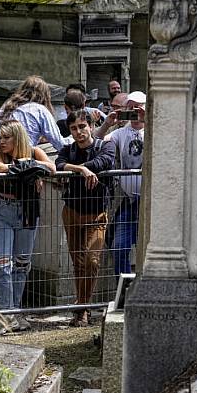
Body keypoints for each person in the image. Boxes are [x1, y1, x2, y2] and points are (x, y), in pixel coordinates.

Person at [0, 120, 55, 323]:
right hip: (2, 210)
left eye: (7, 137)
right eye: (0, 137)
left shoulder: (34, 151)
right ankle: (5, 312)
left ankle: (15, 310)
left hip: (27, 211)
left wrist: (29, 165)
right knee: (2, 264)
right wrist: (29, 169)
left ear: (18, 137)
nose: (2, 141)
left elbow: (52, 167)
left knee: (22, 264)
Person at [55, 109, 116, 327]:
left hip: (96, 213)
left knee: (92, 261)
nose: (79, 132)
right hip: (72, 212)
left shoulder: (105, 146)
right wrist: (80, 169)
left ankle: (82, 305)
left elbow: (104, 162)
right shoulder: (68, 150)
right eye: (73, 128)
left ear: (90, 126)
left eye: (82, 127)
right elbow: (58, 165)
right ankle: (82, 310)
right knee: (78, 262)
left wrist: (84, 169)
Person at [105, 91, 145, 275]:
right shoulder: (120, 133)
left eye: (138, 107)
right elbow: (97, 141)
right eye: (130, 107)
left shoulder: (155, 129)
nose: (135, 111)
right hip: (129, 202)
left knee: (149, 252)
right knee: (119, 247)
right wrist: (107, 123)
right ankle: (123, 291)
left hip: (150, 204)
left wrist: (150, 120)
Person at [0, 75, 73, 155]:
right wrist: (74, 140)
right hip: (15, 159)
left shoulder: (7, 106)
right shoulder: (40, 110)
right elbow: (59, 143)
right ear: (45, 95)